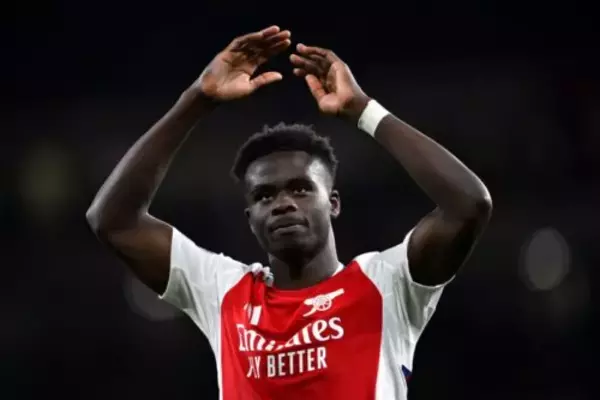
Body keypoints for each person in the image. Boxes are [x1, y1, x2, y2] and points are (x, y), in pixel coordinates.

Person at [86, 25, 492, 400]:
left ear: (333, 203)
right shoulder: (222, 292)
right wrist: (198, 99)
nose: (282, 203)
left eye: (300, 188)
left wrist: (363, 110)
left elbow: (469, 205)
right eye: (264, 196)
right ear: (250, 219)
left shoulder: (387, 284)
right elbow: (112, 221)